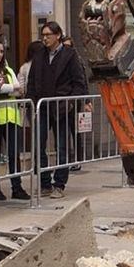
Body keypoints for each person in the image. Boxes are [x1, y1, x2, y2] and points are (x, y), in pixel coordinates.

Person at [27, 21, 88, 199]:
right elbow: (31, 81)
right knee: (39, 145)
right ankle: (45, 182)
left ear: (58, 35)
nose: (45, 38)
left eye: (48, 35)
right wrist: (32, 100)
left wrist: (71, 102)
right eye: (43, 35)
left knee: (62, 146)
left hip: (62, 108)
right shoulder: (39, 55)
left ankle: (59, 184)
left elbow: (79, 82)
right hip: (42, 107)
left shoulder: (70, 55)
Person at [0, 37, 31, 201]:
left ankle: (16, 186)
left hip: (11, 117)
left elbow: (19, 89)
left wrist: (8, 89)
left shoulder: (7, 69)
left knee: (14, 153)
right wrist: (10, 88)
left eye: (1, 51)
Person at [62, 36, 90, 172]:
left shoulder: (76, 60)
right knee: (62, 131)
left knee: (75, 130)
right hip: (61, 101)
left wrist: (87, 100)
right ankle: (64, 160)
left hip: (75, 100)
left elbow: (83, 81)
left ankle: (77, 159)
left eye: (69, 46)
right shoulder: (59, 60)